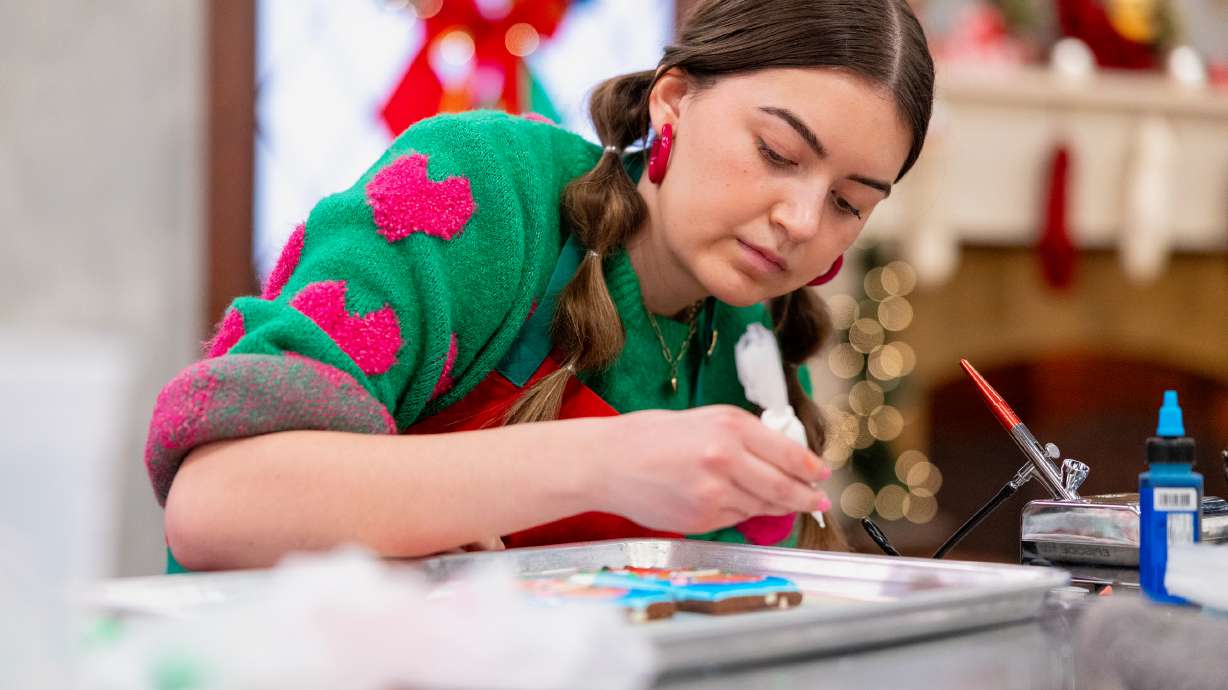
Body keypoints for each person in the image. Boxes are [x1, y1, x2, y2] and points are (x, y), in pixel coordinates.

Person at [145, 0, 934, 571]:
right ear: (673, 101)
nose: (802, 220)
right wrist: (603, 461)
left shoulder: (751, 335)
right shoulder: (480, 192)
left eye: (846, 203)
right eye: (775, 151)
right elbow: (218, 502)